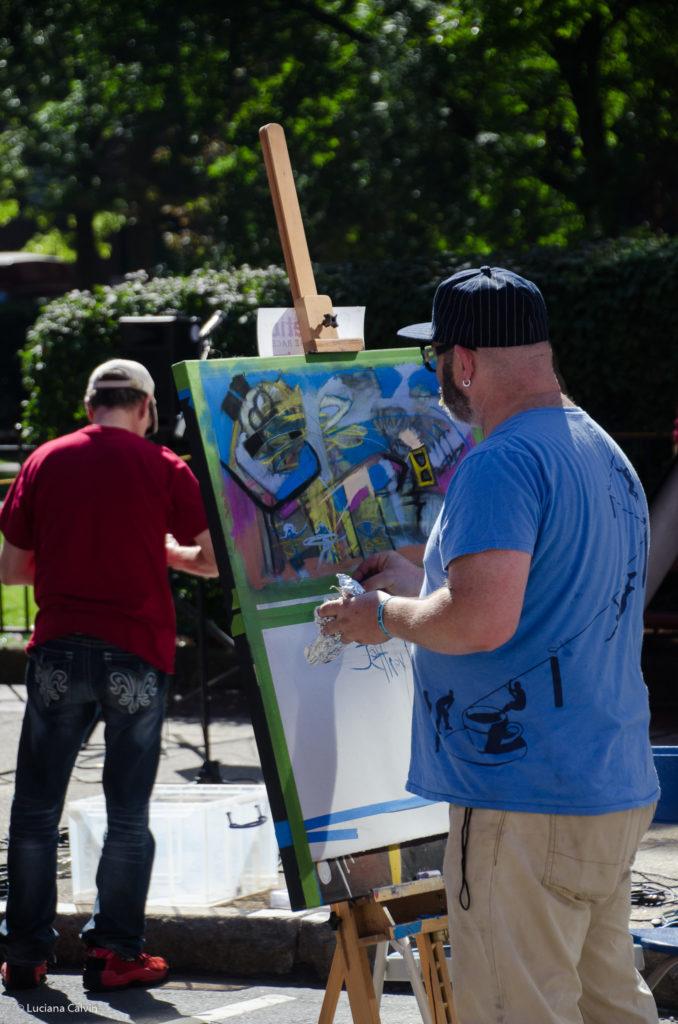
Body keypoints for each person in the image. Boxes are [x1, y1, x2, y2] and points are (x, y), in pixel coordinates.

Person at [318, 266, 660, 1024]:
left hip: (522, 796)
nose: (435, 373)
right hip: (602, 780)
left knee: (516, 1011)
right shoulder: (597, 447)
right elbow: (539, 591)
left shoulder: (501, 460)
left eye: (436, 356)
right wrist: (420, 580)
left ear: (463, 362)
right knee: (612, 1007)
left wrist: (381, 615)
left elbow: (479, 622)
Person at [0, 358, 218, 993]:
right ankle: (115, 954)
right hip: (137, 651)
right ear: (147, 408)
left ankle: (24, 955)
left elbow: (13, 569)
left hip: (59, 651)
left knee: (36, 810)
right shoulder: (163, 467)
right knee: (128, 811)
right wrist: (164, 551)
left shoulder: (45, 460)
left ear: (90, 403)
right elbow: (210, 559)